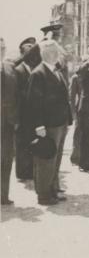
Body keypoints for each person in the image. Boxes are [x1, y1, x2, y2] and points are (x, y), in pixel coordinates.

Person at [25, 40, 72, 205]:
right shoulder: (38, 73)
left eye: (57, 52)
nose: (57, 55)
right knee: (46, 161)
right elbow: (33, 103)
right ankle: (44, 195)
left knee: (56, 160)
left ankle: (52, 189)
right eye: (54, 52)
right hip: (48, 125)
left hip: (60, 123)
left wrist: (68, 119)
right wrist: (39, 126)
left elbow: (64, 98)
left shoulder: (55, 71)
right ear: (47, 54)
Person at [14, 37, 41, 181]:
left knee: (31, 140)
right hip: (22, 113)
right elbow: (16, 94)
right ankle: (21, 172)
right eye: (28, 50)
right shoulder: (18, 70)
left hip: (33, 113)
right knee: (21, 143)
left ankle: (29, 170)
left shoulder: (35, 69)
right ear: (23, 53)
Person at [1, 48, 19, 205]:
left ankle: (3, 196)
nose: (1, 51)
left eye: (2, 48)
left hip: (7, 123)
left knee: (7, 159)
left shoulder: (9, 67)